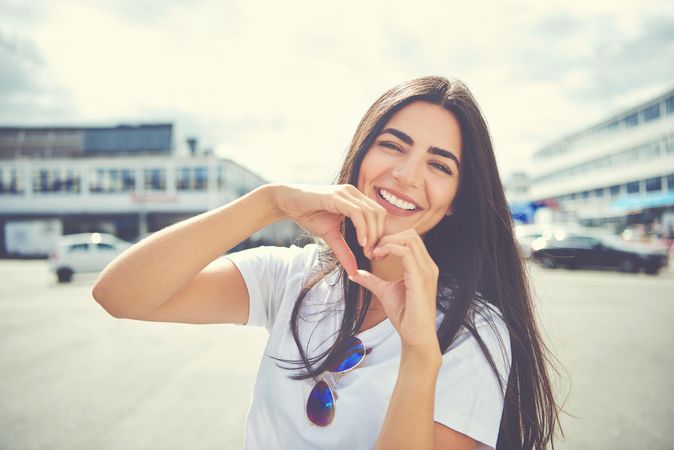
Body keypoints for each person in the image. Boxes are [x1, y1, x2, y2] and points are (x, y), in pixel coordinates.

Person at [92, 76, 563, 449]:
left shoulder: (474, 331)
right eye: (393, 145)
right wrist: (270, 202)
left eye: (440, 165)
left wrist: (421, 353)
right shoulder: (295, 276)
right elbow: (119, 294)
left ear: (457, 200)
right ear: (361, 156)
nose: (406, 174)